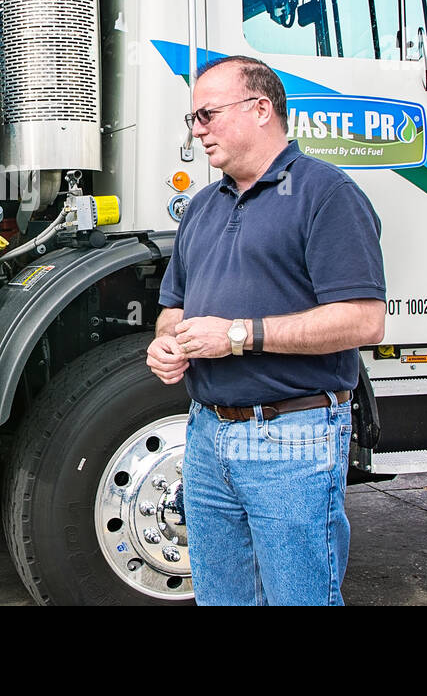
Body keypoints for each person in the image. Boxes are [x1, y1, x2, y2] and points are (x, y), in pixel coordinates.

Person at [146, 54, 386, 606]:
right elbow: (173, 307)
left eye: (207, 114)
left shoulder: (326, 194)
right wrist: (166, 343)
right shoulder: (202, 207)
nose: (196, 130)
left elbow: (364, 320)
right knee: (222, 598)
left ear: (260, 109)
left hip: (292, 436)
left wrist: (238, 336)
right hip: (207, 434)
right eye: (192, 119)